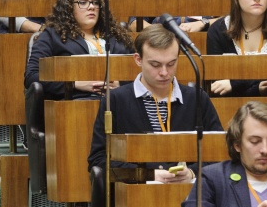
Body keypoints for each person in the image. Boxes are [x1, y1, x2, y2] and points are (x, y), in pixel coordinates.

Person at [87, 24, 223, 173]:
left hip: (188, 186)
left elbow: (219, 153)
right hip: (137, 186)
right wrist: (147, 175)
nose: (164, 72)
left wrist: (191, 172)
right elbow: (98, 159)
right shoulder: (115, 100)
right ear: (138, 59)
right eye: (155, 65)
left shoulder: (197, 98)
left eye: (171, 64)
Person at [25, 0, 134, 100]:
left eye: (95, 2)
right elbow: (31, 76)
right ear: (68, 7)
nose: (91, 7)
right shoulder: (52, 35)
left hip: (118, 100)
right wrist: (73, 84)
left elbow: (140, 71)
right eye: (83, 2)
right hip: (75, 103)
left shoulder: (116, 35)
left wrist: (121, 84)